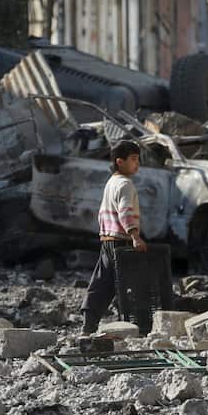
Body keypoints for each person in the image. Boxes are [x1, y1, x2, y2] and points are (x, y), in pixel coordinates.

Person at [81, 139, 147, 334]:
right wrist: (135, 236)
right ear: (120, 161)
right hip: (122, 242)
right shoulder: (126, 184)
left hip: (108, 240)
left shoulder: (111, 182)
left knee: (103, 282)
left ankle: (89, 323)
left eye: (138, 159)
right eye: (133, 159)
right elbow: (125, 212)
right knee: (129, 284)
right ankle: (136, 325)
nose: (137, 163)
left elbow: (102, 212)